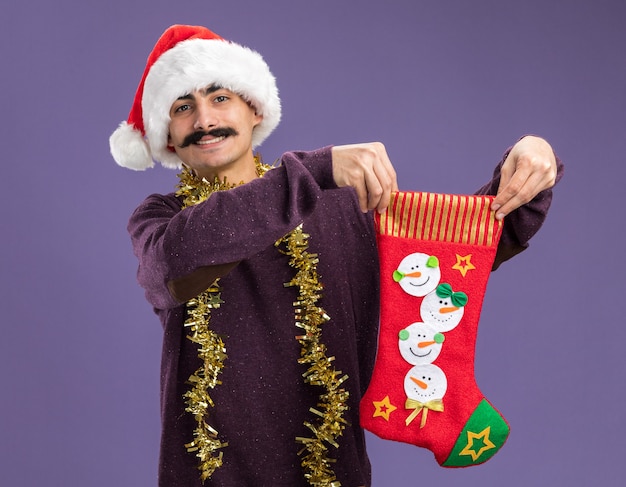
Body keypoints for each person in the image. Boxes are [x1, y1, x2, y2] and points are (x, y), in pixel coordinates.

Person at [110, 24, 562, 487]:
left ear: (254, 107)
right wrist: (316, 170)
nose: (205, 120)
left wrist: (531, 165)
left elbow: (444, 261)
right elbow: (176, 265)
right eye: (183, 107)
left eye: (219, 97)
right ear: (167, 135)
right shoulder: (160, 220)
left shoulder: (338, 202)